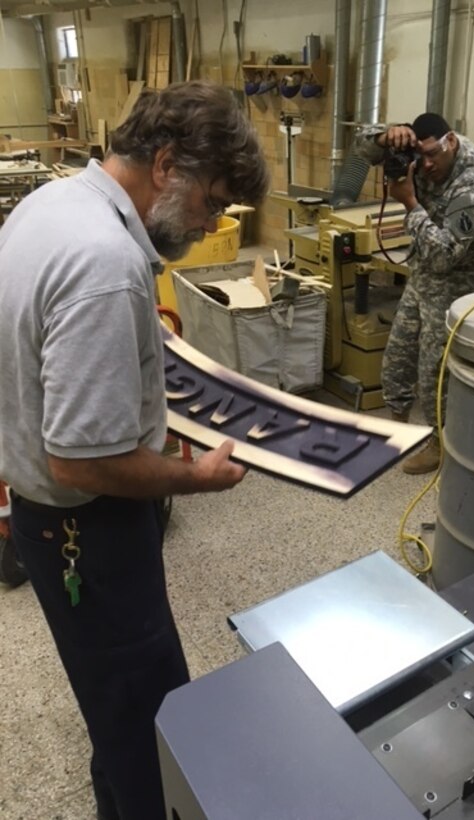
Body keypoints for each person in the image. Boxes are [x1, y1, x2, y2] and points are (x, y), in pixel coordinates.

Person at [0, 81, 269, 820]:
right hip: (91, 531)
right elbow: (81, 462)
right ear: (166, 164)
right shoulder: (105, 263)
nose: (210, 219)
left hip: (43, 525)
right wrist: (197, 478)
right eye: (211, 201)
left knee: (110, 701)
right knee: (149, 718)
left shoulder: (52, 204)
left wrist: (144, 357)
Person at [358, 113, 474, 473]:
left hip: (458, 285)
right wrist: (384, 139)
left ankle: (440, 444)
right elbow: (359, 147)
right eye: (418, 156)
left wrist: (410, 202)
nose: (425, 165)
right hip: (423, 275)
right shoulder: (423, 154)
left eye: (431, 156)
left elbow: (444, 256)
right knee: (399, 355)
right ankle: (396, 427)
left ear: (451, 141)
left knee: (435, 371)